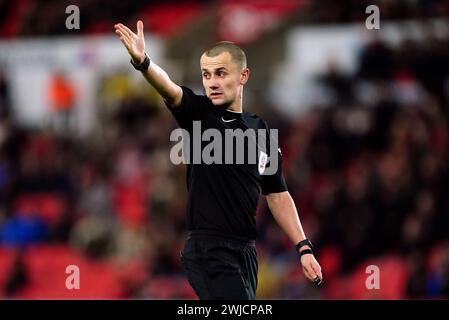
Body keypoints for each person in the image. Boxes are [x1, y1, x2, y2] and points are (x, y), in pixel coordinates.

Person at [114, 20, 323, 300]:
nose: (212, 82)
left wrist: (303, 247)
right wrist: (144, 63)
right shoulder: (199, 114)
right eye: (206, 74)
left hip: (246, 253)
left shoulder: (260, 130)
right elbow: (169, 89)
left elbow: (277, 194)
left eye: (221, 73)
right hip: (208, 250)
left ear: (243, 76)